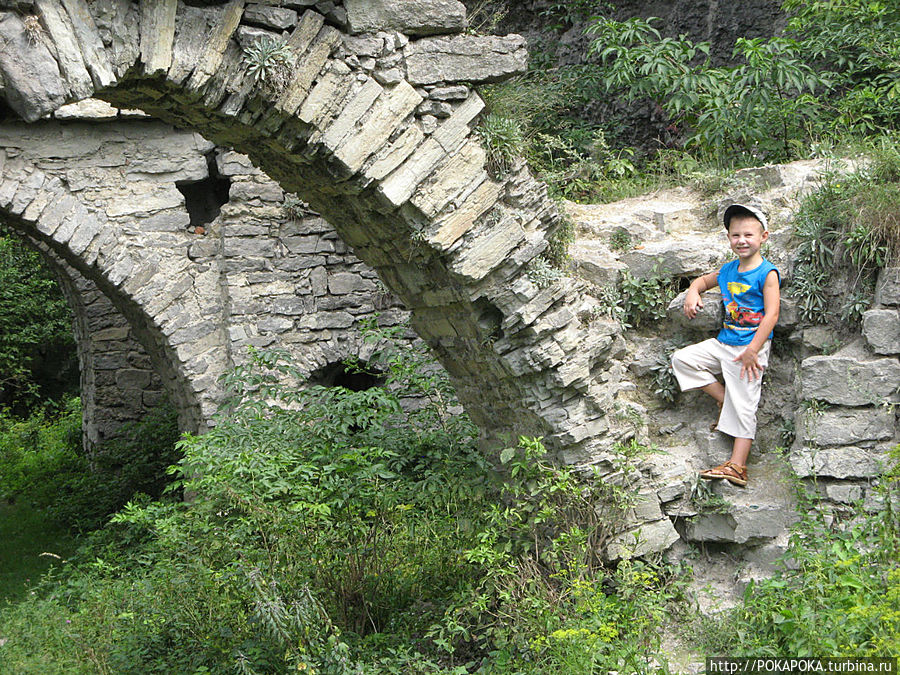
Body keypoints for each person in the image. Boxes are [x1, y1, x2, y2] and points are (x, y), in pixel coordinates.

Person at [670, 203, 780, 486]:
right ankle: (724, 402)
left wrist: (752, 350)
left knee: (745, 404)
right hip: (724, 343)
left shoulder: (767, 273)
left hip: (749, 348)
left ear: (763, 237)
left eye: (748, 235)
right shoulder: (729, 270)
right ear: (729, 238)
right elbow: (703, 281)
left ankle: (738, 466)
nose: (741, 241)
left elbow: (772, 314)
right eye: (735, 235)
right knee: (682, 359)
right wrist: (692, 292)